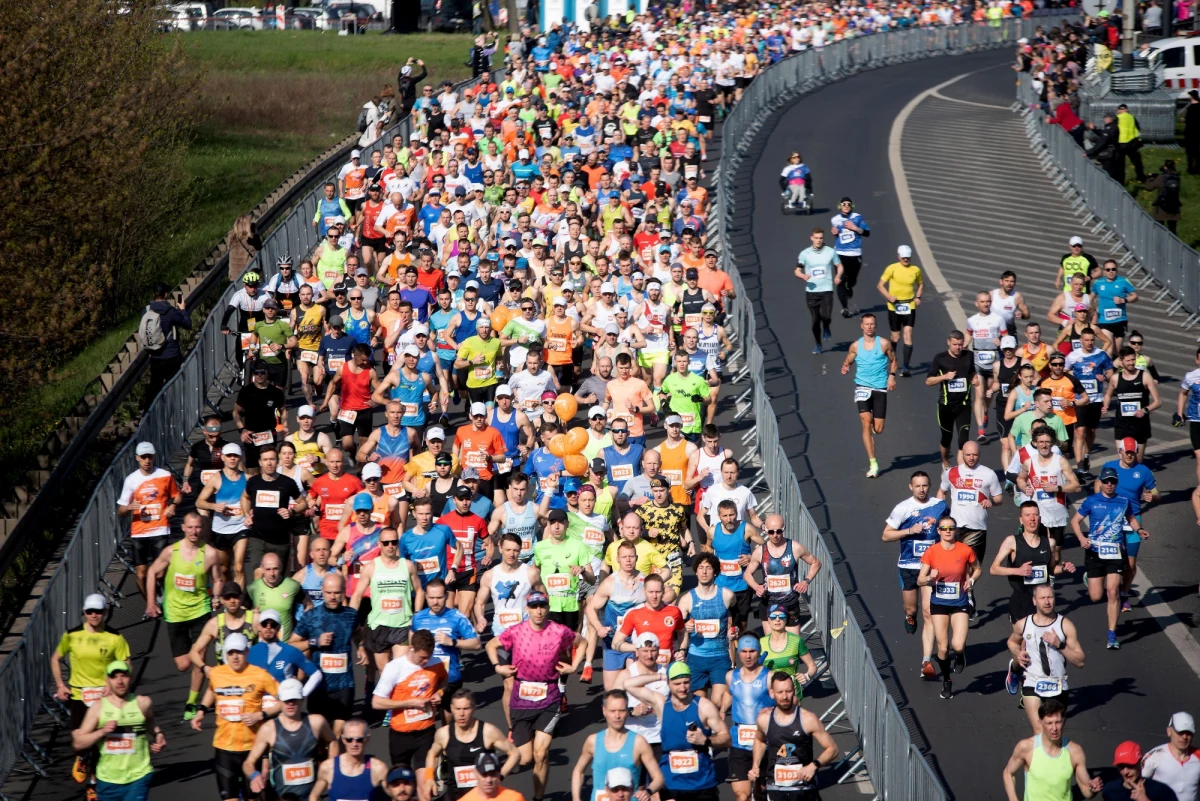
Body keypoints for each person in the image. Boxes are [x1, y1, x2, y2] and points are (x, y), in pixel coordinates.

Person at [487, 590, 583, 801]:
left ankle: (538, 798)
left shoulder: (559, 631)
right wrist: (498, 667)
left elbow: (582, 642)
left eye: (542, 606)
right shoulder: (516, 631)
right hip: (521, 700)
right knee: (525, 759)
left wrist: (574, 667)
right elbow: (490, 645)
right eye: (534, 607)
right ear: (527, 609)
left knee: (541, 754)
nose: (538, 611)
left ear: (547, 608)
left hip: (549, 697)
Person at [143, 512, 222, 721]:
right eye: (190, 527)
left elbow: (218, 579)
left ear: (202, 528)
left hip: (200, 610)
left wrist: (216, 596)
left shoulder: (210, 554)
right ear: (183, 528)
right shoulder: (171, 552)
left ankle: (191, 702)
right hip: (175, 612)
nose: (194, 531)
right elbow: (151, 572)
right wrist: (151, 602)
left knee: (199, 658)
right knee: (183, 664)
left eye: (198, 527)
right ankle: (193, 695)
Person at [53, 593, 132, 788]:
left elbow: (127, 664)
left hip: (105, 696)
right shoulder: (72, 636)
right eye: (90, 611)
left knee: (103, 740)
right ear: (84, 613)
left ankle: (93, 784)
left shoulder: (115, 638)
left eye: (98, 611)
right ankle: (81, 758)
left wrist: (114, 685)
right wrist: (61, 685)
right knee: (79, 736)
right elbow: (55, 659)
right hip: (80, 695)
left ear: (105, 612)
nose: (94, 615)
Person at [190, 632, 281, 801]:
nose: (235, 657)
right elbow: (212, 690)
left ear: (247, 652)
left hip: (252, 749)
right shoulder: (217, 673)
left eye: (239, 652)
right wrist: (201, 710)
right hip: (224, 748)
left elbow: (284, 699)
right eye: (231, 653)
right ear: (225, 654)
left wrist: (260, 714)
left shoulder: (260, 675)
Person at [625, 662, 731, 801]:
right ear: (668, 683)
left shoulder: (703, 706)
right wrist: (660, 676)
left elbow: (727, 739)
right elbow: (628, 684)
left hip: (702, 784)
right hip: (672, 784)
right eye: (677, 683)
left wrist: (706, 740)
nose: (682, 688)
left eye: (686, 682)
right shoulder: (661, 705)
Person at [1071, 466, 1147, 650]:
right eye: (1106, 481)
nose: (1109, 484)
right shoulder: (1091, 501)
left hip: (1115, 552)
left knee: (1113, 591)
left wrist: (1139, 529)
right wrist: (1082, 538)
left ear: (1116, 483)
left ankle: (1112, 634)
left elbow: (1131, 519)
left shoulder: (1123, 501)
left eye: (1113, 481)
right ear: (1101, 482)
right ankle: (1089, 576)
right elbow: (1074, 521)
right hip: (1095, 552)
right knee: (1096, 596)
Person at [882, 472, 946, 679]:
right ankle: (910, 616)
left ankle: (926, 661)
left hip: (930, 566)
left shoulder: (940, 506)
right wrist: (909, 531)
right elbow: (886, 535)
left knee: (929, 612)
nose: (921, 489)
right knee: (912, 608)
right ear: (911, 487)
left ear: (930, 486)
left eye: (925, 486)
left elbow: (949, 528)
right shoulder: (903, 508)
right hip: (908, 565)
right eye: (917, 486)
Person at [70, 660, 165, 801]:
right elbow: (78, 743)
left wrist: (158, 734)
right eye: (114, 677)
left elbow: (150, 720)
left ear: (130, 678)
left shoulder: (143, 703)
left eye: (124, 675)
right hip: (107, 780)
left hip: (138, 775)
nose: (119, 681)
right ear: (107, 681)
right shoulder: (98, 708)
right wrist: (102, 732)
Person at [746, 671, 839, 801]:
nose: (784, 696)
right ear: (772, 693)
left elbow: (832, 749)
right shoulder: (764, 719)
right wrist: (755, 766)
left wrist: (814, 765)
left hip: (804, 788)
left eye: (788, 691)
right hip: (776, 788)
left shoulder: (808, 719)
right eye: (780, 692)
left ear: (794, 691)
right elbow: (759, 741)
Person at [1005, 585, 1085, 734]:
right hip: (1032, 681)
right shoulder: (1023, 624)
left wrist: (1060, 645)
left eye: (1050, 597)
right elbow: (1012, 642)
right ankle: (1015, 670)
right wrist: (1018, 653)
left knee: (1054, 733)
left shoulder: (1065, 626)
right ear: (1034, 601)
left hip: (1058, 683)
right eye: (1043, 598)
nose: (1047, 602)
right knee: (1040, 730)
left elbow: (1080, 661)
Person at [289, 572, 359, 738]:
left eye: (337, 593)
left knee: (338, 734)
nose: (333, 597)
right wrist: (314, 642)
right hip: (319, 685)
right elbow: (291, 645)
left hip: (344, 684)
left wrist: (361, 646)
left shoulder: (351, 615)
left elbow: (358, 633)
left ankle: (334, 762)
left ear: (343, 591)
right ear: (322, 591)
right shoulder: (311, 617)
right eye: (328, 593)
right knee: (320, 735)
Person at [917, 516, 980, 699]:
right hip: (939, 604)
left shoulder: (965, 550)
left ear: (955, 530)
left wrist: (972, 580)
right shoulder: (932, 552)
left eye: (951, 528)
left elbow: (977, 568)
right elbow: (920, 579)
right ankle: (947, 679)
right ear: (938, 531)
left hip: (959, 602)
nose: (947, 531)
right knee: (943, 649)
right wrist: (930, 577)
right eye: (943, 528)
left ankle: (960, 655)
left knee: (958, 645)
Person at [242, 678, 335, 801]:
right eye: (286, 700)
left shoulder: (316, 722)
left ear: (302, 699)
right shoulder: (269, 729)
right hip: (282, 796)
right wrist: (255, 775)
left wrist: (333, 767)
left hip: (312, 797)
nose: (290, 703)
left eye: (294, 699)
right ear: (279, 701)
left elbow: (333, 741)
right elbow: (248, 763)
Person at [372, 629, 448, 772]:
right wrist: (409, 703)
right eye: (422, 658)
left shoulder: (436, 662)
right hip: (400, 734)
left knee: (425, 781)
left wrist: (439, 692)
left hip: (426, 730)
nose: (426, 661)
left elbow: (444, 679)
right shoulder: (395, 667)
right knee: (402, 784)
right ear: (412, 648)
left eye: (429, 656)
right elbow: (376, 702)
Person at [1095, 438, 1159, 608]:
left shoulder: (1143, 471)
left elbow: (1156, 493)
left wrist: (1151, 497)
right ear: (1120, 451)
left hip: (1133, 519)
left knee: (1130, 564)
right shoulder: (1110, 466)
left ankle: (1124, 593)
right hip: (1111, 519)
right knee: (1107, 556)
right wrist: (1099, 502)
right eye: (1127, 452)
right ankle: (1099, 579)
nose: (1129, 455)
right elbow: (1097, 483)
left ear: (1136, 452)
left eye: (1132, 452)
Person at [424, 689, 518, 801]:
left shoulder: (488, 732)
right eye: (457, 709)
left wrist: (499, 776)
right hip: (454, 796)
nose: (461, 714)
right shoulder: (444, 734)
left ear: (473, 708)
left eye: (466, 709)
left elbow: (514, 753)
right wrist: (429, 778)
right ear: (451, 709)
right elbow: (432, 754)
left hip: (483, 797)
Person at [571, 691, 664, 801]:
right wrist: (576, 798)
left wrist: (648, 791)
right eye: (612, 711)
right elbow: (578, 771)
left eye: (622, 711)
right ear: (604, 711)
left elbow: (659, 778)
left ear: (627, 711)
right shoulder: (593, 741)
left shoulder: (639, 742)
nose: (617, 716)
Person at [116, 441, 180, 598]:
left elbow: (176, 495)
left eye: (149, 457)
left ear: (154, 457)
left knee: (160, 572)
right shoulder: (131, 480)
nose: (147, 460)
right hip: (139, 532)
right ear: (137, 458)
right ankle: (150, 604)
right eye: (143, 457)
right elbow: (120, 510)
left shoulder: (165, 475)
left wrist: (173, 506)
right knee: (141, 575)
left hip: (160, 528)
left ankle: (164, 595)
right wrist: (130, 507)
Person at [1002, 699, 1101, 801]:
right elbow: (1008, 773)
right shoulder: (1026, 748)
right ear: (1040, 722)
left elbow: (1085, 790)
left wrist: (1092, 790)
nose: (1054, 728)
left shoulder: (1075, 752)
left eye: (1057, 722)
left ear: (1064, 721)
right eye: (1049, 723)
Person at [411, 578, 481, 714]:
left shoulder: (457, 617)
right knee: (424, 719)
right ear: (426, 596)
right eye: (431, 598)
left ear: (446, 596)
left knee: (448, 721)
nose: (435, 602)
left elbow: (476, 644)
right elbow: (411, 647)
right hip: (423, 678)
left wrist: (453, 642)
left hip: (450, 677)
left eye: (439, 597)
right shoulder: (418, 618)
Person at [840, 313, 897, 477]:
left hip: (879, 388)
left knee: (878, 429)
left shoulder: (884, 344)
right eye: (867, 324)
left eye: (872, 324)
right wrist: (846, 367)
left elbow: (893, 360)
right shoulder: (856, 346)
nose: (870, 327)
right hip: (862, 387)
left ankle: (871, 432)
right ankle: (873, 464)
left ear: (875, 326)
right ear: (862, 326)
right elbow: (849, 360)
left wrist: (892, 377)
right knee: (866, 421)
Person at [678, 553, 735, 706]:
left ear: (715, 572)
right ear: (696, 571)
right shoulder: (686, 600)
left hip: (720, 657)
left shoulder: (727, 595)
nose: (704, 572)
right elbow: (678, 630)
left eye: (708, 568)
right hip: (697, 658)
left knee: (717, 703)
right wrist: (684, 628)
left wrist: (733, 632)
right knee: (700, 705)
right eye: (701, 568)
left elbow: (734, 616)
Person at [721, 636, 774, 801]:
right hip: (739, 742)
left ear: (758, 652)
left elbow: (785, 701)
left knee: (761, 792)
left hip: (765, 741)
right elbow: (729, 693)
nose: (748, 655)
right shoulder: (731, 676)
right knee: (741, 795)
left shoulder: (770, 676)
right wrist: (722, 711)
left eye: (752, 651)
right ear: (738, 653)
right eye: (744, 651)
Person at [926, 331, 979, 469]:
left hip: (963, 405)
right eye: (955, 344)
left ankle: (962, 471)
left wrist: (974, 378)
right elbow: (929, 381)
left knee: (963, 440)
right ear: (948, 342)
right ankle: (945, 463)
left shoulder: (969, 356)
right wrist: (944, 377)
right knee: (946, 439)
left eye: (960, 345)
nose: (958, 348)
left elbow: (972, 371)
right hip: (946, 406)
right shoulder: (940, 358)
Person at [1103, 346, 1161, 463]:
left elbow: (1158, 402)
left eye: (1133, 360)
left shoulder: (1144, 376)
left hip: (1140, 425)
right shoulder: (1115, 378)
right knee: (1124, 461)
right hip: (1122, 424)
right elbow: (1108, 394)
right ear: (1121, 361)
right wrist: (1105, 406)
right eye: (1128, 360)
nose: (1131, 363)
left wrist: (1144, 410)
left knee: (1137, 462)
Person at [310, 718, 389, 801]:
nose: (354, 744)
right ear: (343, 740)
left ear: (367, 739)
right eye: (349, 740)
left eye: (359, 740)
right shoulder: (328, 767)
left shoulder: (378, 768)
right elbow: (314, 796)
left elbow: (393, 795)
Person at [141, 281, 192, 408]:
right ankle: (175, 411)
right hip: (171, 355)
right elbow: (187, 324)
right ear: (166, 295)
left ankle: (149, 415)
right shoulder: (169, 311)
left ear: (154, 294)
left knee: (155, 387)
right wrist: (182, 310)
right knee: (174, 386)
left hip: (155, 356)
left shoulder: (146, 310)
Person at [794, 227, 842, 354]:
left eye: (821, 238)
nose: (818, 240)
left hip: (827, 290)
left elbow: (839, 265)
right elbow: (797, 270)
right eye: (816, 238)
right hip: (812, 292)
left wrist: (837, 276)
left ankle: (826, 327)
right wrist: (803, 275)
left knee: (826, 316)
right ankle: (818, 344)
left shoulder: (831, 252)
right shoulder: (805, 254)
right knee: (815, 321)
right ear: (811, 238)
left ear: (823, 238)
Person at [876, 245, 922, 376]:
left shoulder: (916, 270)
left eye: (908, 258)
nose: (906, 260)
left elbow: (921, 284)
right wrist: (888, 296)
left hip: (909, 305)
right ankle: (893, 360)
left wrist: (918, 297)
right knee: (895, 337)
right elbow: (880, 285)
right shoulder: (892, 268)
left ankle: (906, 366)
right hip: (894, 307)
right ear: (899, 257)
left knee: (908, 334)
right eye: (903, 258)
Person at [1142, 712, 1200, 801]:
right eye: (1180, 732)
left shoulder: (1198, 756)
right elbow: (1136, 784)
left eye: (1188, 733)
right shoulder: (1155, 755)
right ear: (1169, 731)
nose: (1184, 737)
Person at [830, 197, 870, 317]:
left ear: (852, 206)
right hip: (840, 254)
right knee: (840, 281)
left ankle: (849, 285)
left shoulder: (857, 217)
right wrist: (834, 232)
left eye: (849, 204)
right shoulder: (835, 220)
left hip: (855, 254)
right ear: (840, 206)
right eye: (844, 204)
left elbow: (867, 233)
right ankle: (845, 308)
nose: (846, 206)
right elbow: (835, 232)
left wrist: (855, 228)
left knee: (852, 280)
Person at [1104, 741, 1180, 801]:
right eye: (1121, 767)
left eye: (1130, 765)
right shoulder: (1110, 790)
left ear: (1142, 763)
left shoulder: (1161, 791)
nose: (1125, 771)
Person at [458, 751, 526, 801]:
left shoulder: (515, 798)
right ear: (475, 774)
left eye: (493, 774)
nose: (489, 780)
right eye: (484, 774)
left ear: (499, 774)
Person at [1144, 159, 1184, 234]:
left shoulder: (1161, 178)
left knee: (1158, 229)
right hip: (1174, 206)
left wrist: (1149, 178)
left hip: (1161, 207)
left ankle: (1159, 244)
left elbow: (1148, 188)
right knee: (1172, 230)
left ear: (1165, 167)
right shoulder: (1177, 178)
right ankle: (1173, 245)